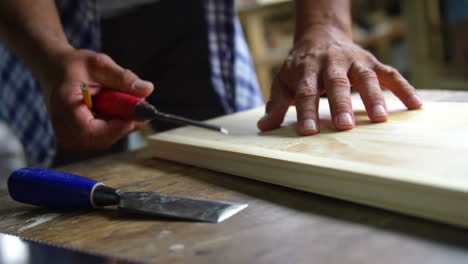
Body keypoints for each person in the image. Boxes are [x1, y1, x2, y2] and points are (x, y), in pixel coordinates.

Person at [0, 0, 422, 169]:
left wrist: (326, 26)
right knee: (64, 200)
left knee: (236, 172)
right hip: (48, 21)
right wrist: (50, 56)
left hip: (193, 16)